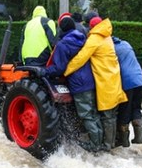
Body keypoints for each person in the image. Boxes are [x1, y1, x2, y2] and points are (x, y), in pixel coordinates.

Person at [64, 16, 128, 151]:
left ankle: (104, 146)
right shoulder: (108, 37)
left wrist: (66, 71)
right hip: (114, 79)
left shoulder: (95, 39)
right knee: (111, 115)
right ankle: (109, 144)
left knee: (106, 116)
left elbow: (81, 58)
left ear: (91, 26)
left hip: (104, 82)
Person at [42, 15, 103, 152]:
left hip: (79, 84)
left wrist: (44, 70)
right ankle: (100, 140)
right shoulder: (83, 40)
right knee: (93, 112)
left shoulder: (63, 44)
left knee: (86, 114)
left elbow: (59, 68)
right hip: (91, 81)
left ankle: (95, 145)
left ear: (61, 28)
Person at [113, 36, 142, 147]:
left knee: (125, 110)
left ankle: (124, 141)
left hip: (127, 82)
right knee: (136, 107)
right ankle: (138, 137)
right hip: (140, 80)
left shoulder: (111, 48)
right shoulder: (126, 44)